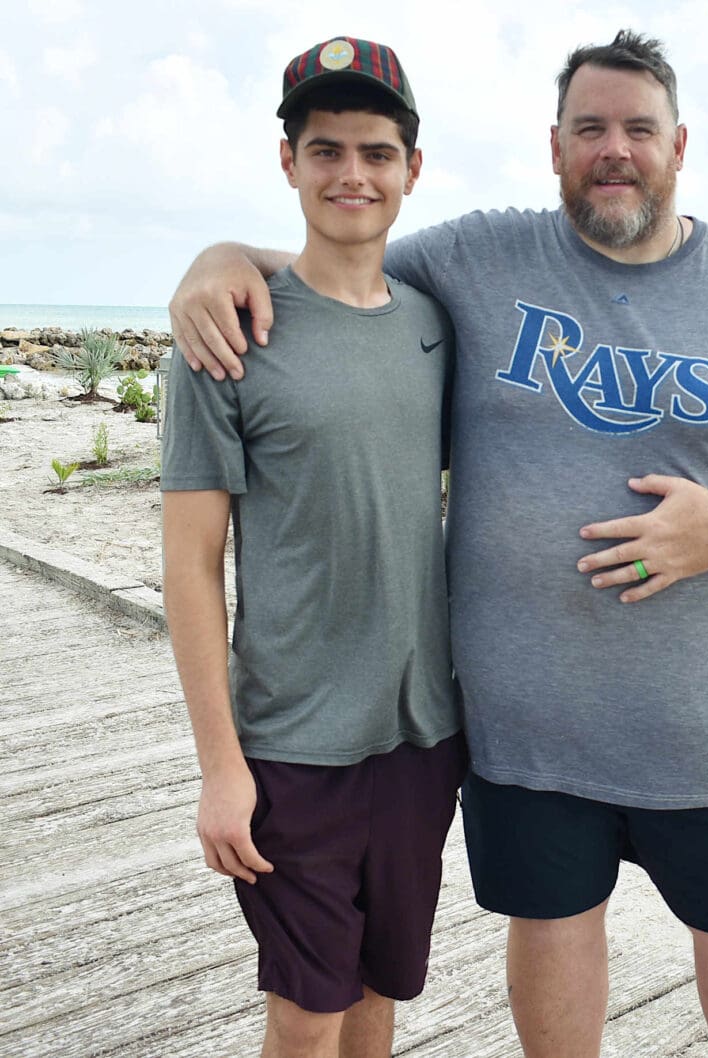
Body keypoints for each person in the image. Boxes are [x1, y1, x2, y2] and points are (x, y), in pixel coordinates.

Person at [169, 30, 708, 1058]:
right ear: (554, 146)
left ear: (682, 144)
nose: (615, 148)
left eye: (640, 127)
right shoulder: (478, 257)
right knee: (549, 934)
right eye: (590, 127)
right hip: (526, 734)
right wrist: (219, 259)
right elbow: (341, 263)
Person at [160, 37, 465, 1058]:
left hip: (424, 734)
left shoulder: (436, 323)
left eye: (376, 152)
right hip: (292, 742)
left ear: (411, 171)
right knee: (306, 1011)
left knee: (381, 989)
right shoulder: (226, 337)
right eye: (325, 149)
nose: (352, 174)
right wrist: (220, 768)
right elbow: (192, 564)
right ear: (286, 161)